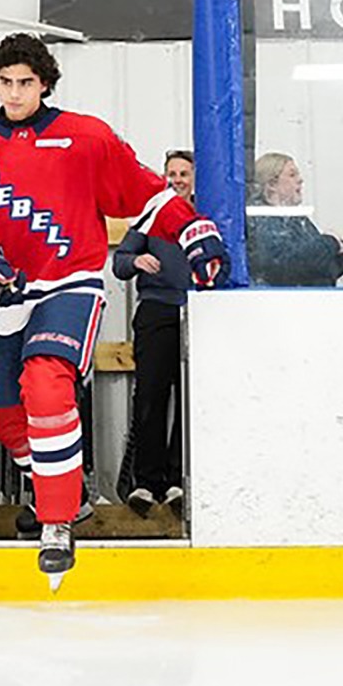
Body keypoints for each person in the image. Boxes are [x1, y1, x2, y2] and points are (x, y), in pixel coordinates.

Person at [0, 33, 228, 584]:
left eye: (25, 82)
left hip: (70, 283)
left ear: (44, 83)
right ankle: (61, 489)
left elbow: (147, 195)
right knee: (5, 411)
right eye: (5, 82)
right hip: (4, 295)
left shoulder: (85, 137)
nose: (15, 92)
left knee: (46, 381)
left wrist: (192, 232)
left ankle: (57, 519)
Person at [112, 150, 195, 516]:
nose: (177, 179)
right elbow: (119, 262)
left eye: (184, 173)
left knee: (189, 397)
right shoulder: (151, 215)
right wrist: (135, 260)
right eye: (171, 174)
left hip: (197, 313)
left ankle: (178, 479)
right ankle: (146, 482)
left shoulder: (203, 219)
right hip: (156, 311)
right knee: (151, 396)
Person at [244, 152, 343, 286]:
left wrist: (340, 251)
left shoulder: (296, 218)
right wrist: (332, 242)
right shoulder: (260, 218)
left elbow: (324, 264)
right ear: (271, 184)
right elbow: (282, 264)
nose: (300, 180)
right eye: (292, 175)